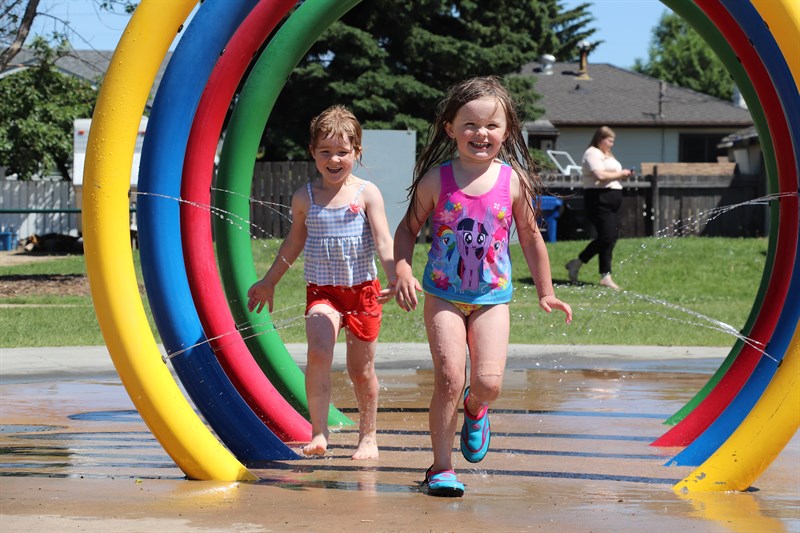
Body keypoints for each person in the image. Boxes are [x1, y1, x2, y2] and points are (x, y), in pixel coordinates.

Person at [393, 77, 573, 497]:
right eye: (470, 125)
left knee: (488, 382)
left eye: (492, 126)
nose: (481, 134)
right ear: (449, 128)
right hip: (443, 296)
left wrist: (545, 291)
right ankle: (441, 468)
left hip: (492, 299)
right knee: (450, 378)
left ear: (507, 131)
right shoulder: (436, 181)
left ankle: (477, 409)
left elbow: (530, 237)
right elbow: (407, 229)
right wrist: (401, 269)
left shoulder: (513, 182)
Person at [247, 105, 396, 460]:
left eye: (342, 152)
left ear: (357, 153)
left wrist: (397, 275)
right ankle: (318, 432)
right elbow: (293, 243)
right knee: (318, 353)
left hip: (363, 293)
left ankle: (368, 436)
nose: (334, 159)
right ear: (313, 152)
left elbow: (383, 240)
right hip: (323, 293)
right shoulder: (305, 197)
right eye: (325, 151)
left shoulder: (367, 193)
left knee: (360, 371)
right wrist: (269, 281)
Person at [564, 126, 633, 290]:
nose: (611, 144)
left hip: (612, 199)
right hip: (598, 199)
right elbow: (600, 175)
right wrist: (622, 174)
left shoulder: (607, 155)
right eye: (609, 140)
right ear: (600, 138)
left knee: (610, 237)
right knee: (607, 237)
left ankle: (605, 275)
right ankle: (577, 263)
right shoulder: (592, 153)